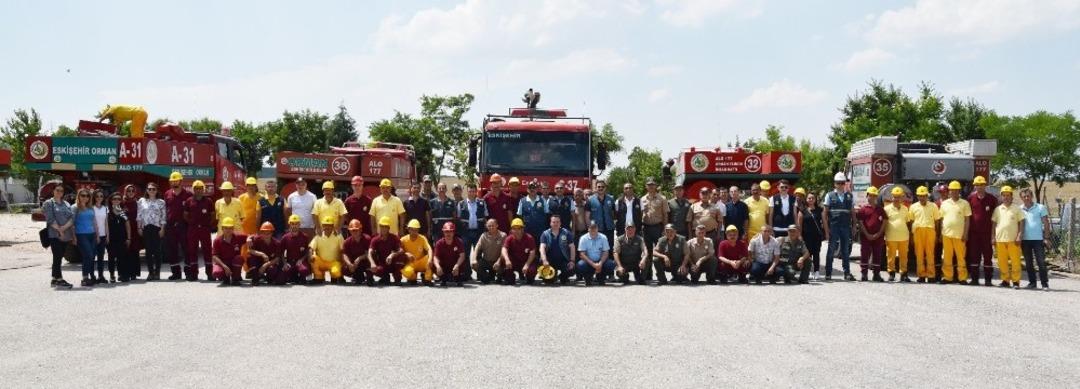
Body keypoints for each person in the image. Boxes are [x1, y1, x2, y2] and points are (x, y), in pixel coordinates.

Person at [823, 172, 856, 281]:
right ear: (835, 184)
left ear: (845, 183)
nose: (840, 185)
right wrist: (827, 231)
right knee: (831, 250)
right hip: (834, 227)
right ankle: (828, 273)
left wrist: (854, 225)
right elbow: (824, 214)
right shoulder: (829, 195)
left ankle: (847, 273)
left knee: (845, 251)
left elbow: (853, 212)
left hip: (846, 227)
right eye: (838, 183)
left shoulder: (850, 196)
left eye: (842, 183)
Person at [966, 176, 998, 285]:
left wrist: (994, 234)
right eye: (977, 185)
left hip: (987, 233)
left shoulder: (992, 199)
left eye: (982, 185)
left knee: (988, 256)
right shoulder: (970, 199)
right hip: (973, 233)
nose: (979, 187)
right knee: (974, 256)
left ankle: (988, 280)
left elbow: (996, 216)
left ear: (985, 186)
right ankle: (974, 279)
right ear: (974, 186)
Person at [991, 186, 1025, 289]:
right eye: (1004, 195)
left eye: (1008, 195)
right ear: (1001, 197)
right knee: (1002, 262)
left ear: (1012, 197)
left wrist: (1019, 235)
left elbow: (1022, 222)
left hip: (1013, 240)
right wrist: (993, 237)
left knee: (1015, 262)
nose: (1006, 197)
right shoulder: (997, 209)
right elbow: (993, 224)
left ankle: (1016, 281)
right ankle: (1005, 280)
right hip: (1000, 240)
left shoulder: (1017, 208)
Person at [939, 181, 972, 284]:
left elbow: (967, 219)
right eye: (952, 190)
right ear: (949, 191)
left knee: (961, 257)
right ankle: (948, 277)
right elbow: (941, 219)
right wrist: (940, 233)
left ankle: (962, 278)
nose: (954, 192)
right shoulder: (944, 203)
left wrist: (965, 234)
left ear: (959, 191)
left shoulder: (965, 203)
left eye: (956, 190)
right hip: (946, 234)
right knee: (947, 257)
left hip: (960, 235)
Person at [1019, 189, 1051, 290]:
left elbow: (1046, 223)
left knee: (1041, 262)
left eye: (1028, 196)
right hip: (1025, 240)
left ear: (1031, 196)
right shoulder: (1019, 209)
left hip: (1038, 240)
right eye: (1024, 197)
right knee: (1028, 263)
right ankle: (1032, 283)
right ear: (1021, 198)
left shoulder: (1040, 207)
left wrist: (1046, 238)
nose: (1026, 198)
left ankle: (1044, 284)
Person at [183, 180, 215, 281]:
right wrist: (191, 223)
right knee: (192, 251)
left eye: (200, 188)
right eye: (196, 188)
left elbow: (213, 215)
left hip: (205, 229)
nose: (198, 190)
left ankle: (209, 273)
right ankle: (194, 274)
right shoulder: (189, 201)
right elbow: (185, 215)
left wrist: (208, 225)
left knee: (207, 251)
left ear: (203, 189)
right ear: (193, 190)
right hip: (193, 229)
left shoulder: (208, 201)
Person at [44, 185, 74, 288]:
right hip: (54, 235)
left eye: (61, 191)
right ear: (53, 191)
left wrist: (63, 229)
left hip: (65, 234)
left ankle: (54, 279)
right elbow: (50, 219)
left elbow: (71, 218)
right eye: (57, 190)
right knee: (57, 256)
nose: (59, 192)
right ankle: (59, 279)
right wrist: (59, 231)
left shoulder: (66, 203)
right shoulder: (49, 203)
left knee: (59, 257)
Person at [909, 186, 942, 283]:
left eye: (924, 196)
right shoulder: (913, 206)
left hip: (930, 231)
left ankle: (931, 275)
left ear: (927, 196)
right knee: (919, 254)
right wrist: (911, 235)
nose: (922, 198)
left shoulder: (933, 206)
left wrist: (937, 234)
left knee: (930, 254)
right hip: (918, 231)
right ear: (917, 196)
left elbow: (937, 221)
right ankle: (921, 275)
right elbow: (911, 221)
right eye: (920, 196)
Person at [163, 172, 191, 280]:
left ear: (181, 181)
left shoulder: (188, 194)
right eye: (172, 181)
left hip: (184, 226)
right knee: (172, 250)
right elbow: (165, 210)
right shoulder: (167, 194)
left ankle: (188, 272)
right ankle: (176, 273)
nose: (174, 182)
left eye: (176, 180)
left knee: (186, 250)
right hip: (171, 227)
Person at [856, 186, 886, 282]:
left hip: (878, 237)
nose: (872, 197)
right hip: (865, 236)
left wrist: (879, 233)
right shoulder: (863, 209)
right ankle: (864, 274)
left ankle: (876, 274)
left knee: (877, 255)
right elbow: (860, 223)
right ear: (867, 196)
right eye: (870, 195)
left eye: (874, 196)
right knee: (865, 254)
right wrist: (867, 234)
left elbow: (885, 222)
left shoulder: (880, 209)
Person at [137, 183, 166, 281]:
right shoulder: (142, 201)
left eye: (154, 189)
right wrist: (139, 228)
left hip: (157, 228)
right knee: (148, 252)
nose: (151, 191)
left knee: (157, 251)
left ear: (157, 190)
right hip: (146, 228)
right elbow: (139, 215)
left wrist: (162, 228)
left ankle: (157, 272)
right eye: (149, 189)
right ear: (147, 190)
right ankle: (150, 272)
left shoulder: (161, 202)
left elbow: (163, 216)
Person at [883, 187, 913, 282]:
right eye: (895, 197)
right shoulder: (886, 209)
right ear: (892, 197)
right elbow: (884, 223)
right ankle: (891, 273)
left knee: (904, 256)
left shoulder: (905, 209)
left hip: (904, 237)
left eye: (899, 197)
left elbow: (908, 223)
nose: (896, 199)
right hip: (891, 236)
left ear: (902, 198)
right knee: (891, 256)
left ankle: (903, 274)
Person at [369, 216, 407, 285]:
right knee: (371, 261)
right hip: (382, 264)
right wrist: (372, 263)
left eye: (385, 227)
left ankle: (397, 278)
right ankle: (385, 277)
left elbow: (401, 250)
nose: (383, 228)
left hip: (393, 264)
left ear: (389, 228)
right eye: (381, 226)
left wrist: (392, 255)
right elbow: (369, 252)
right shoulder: (375, 239)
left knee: (401, 256)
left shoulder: (394, 238)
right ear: (379, 227)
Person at [72, 189, 99, 287]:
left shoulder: (90, 207)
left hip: (92, 234)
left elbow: (94, 222)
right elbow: (72, 223)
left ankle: (91, 276)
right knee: (88, 255)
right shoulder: (75, 208)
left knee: (92, 256)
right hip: (81, 234)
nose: (85, 198)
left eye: (87, 196)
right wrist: (73, 237)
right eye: (82, 195)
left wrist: (97, 234)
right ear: (78, 196)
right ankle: (85, 277)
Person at [539, 215, 576, 285]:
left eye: (557, 222)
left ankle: (562, 277)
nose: (555, 224)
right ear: (550, 223)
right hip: (549, 261)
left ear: (560, 223)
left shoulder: (567, 233)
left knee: (572, 269)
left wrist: (572, 261)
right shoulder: (545, 234)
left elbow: (572, 247)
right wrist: (544, 260)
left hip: (563, 260)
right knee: (549, 281)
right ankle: (553, 276)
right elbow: (542, 248)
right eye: (553, 222)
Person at [797, 191, 825, 281]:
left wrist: (827, 233)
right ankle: (808, 271)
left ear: (815, 199)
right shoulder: (802, 210)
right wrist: (800, 235)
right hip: (806, 236)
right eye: (809, 198)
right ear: (806, 199)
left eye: (813, 198)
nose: (811, 200)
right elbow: (799, 225)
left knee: (816, 253)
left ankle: (816, 271)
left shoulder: (820, 210)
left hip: (817, 235)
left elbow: (824, 222)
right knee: (807, 254)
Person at [500, 218, 537, 285]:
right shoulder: (509, 238)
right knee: (503, 259)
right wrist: (507, 259)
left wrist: (527, 265)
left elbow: (532, 252)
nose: (516, 230)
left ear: (522, 229)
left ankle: (529, 277)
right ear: (511, 230)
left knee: (531, 272)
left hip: (525, 261)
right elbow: (504, 249)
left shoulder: (529, 238)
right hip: (514, 262)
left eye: (519, 228)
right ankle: (510, 277)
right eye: (514, 228)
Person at [210, 217, 246, 286]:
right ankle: (225, 279)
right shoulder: (217, 241)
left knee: (239, 258)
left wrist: (249, 239)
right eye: (226, 228)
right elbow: (214, 256)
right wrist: (224, 266)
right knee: (216, 273)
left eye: (230, 228)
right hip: (223, 263)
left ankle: (235, 279)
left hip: (234, 262)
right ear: (222, 228)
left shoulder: (238, 237)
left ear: (233, 229)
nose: (228, 230)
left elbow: (252, 236)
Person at [309, 216, 345, 284]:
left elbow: (343, 250)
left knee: (335, 273)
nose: (327, 227)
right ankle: (319, 277)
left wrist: (343, 262)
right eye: (325, 225)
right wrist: (310, 255)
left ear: (333, 226)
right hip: (321, 262)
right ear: (322, 226)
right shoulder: (318, 236)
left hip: (333, 262)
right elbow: (311, 248)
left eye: (329, 225)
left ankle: (335, 276)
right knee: (314, 258)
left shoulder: (338, 236)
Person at [458, 184, 488, 263]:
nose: (471, 193)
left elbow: (485, 218)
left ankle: (479, 274)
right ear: (467, 192)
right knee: (465, 253)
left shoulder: (482, 203)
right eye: (470, 191)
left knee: (478, 253)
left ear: (476, 192)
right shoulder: (461, 204)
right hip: (465, 233)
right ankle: (467, 274)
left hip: (479, 232)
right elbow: (458, 219)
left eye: (473, 191)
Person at [577, 221, 614, 286]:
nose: (593, 229)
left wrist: (600, 263)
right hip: (589, 262)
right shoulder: (583, 238)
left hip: (600, 262)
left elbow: (606, 252)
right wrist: (593, 264)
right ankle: (588, 277)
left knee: (611, 264)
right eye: (591, 228)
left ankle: (601, 277)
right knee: (580, 265)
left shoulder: (603, 237)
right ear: (588, 229)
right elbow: (582, 254)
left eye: (595, 227)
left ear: (597, 228)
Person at [246, 222, 282, 286]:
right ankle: (255, 278)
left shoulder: (277, 243)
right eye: (264, 233)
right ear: (261, 233)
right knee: (250, 258)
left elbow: (277, 258)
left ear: (272, 233)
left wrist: (265, 265)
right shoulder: (256, 239)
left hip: (269, 262)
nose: (266, 235)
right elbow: (250, 250)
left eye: (268, 233)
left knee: (272, 270)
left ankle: (269, 278)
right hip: (258, 261)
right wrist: (262, 254)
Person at [471, 219, 507, 284]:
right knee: (474, 265)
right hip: (486, 260)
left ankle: (499, 276)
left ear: (497, 225)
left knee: (504, 268)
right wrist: (474, 259)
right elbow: (477, 248)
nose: (491, 227)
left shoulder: (503, 235)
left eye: (493, 225)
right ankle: (487, 277)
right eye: (489, 226)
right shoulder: (483, 235)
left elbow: (503, 251)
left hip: (498, 260)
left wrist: (498, 261)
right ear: (486, 227)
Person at [433, 222, 468, 287]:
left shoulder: (458, 241)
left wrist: (457, 265)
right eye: (446, 231)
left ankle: (458, 279)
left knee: (463, 262)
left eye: (450, 231)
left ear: (453, 232)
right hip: (444, 266)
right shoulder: (439, 243)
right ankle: (443, 279)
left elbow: (462, 255)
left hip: (455, 266)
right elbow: (435, 257)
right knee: (434, 264)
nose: (448, 233)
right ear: (443, 232)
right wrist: (438, 266)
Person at [106, 193, 131, 283]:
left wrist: (128, 238)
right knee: (111, 258)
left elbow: (127, 224)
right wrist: (107, 237)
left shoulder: (123, 211)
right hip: (111, 238)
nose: (116, 201)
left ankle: (121, 274)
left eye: (118, 199)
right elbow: (105, 225)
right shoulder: (107, 211)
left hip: (122, 238)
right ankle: (112, 275)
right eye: (114, 199)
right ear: (110, 200)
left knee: (122, 257)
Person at [280, 215, 313, 284]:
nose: (294, 226)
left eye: (296, 224)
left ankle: (300, 277)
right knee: (281, 279)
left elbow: (308, 251)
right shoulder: (285, 237)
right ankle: (294, 277)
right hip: (290, 262)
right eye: (292, 224)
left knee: (304, 270)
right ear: (289, 224)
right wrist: (285, 263)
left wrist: (302, 259)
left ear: (299, 224)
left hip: (301, 262)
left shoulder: (305, 236)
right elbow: (281, 252)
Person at [341, 219, 374, 286]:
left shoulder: (367, 239)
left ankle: (370, 276)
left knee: (372, 261)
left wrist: (360, 258)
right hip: (355, 264)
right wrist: (349, 264)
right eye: (352, 230)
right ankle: (358, 276)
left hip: (366, 262)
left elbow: (370, 253)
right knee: (343, 269)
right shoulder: (347, 242)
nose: (354, 232)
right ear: (349, 231)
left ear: (361, 230)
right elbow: (344, 254)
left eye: (356, 230)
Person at [401, 219, 434, 285]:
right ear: (408, 229)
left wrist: (430, 259)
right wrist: (405, 254)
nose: (414, 232)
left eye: (416, 230)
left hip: (421, 262)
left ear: (418, 230)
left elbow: (429, 249)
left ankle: (427, 279)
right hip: (411, 263)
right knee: (407, 272)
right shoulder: (403, 239)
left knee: (429, 258)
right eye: (412, 229)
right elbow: (397, 250)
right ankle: (413, 278)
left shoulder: (422, 238)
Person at [517, 182, 548, 248]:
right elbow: (519, 216)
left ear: (537, 189)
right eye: (530, 188)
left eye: (534, 188)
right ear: (527, 190)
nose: (532, 189)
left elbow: (547, 214)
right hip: (527, 231)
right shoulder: (522, 201)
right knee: (528, 249)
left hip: (540, 231)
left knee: (540, 249)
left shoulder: (542, 200)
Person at [121, 184, 142, 279]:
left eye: (132, 191)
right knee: (125, 251)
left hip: (135, 229)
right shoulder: (121, 203)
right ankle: (125, 273)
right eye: (128, 191)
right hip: (124, 230)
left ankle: (134, 273)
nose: (130, 193)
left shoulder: (138, 203)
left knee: (134, 251)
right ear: (125, 192)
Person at [587, 180, 617, 244]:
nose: (601, 188)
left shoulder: (611, 199)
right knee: (598, 250)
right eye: (599, 187)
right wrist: (590, 229)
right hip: (596, 230)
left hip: (609, 229)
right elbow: (587, 217)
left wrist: (613, 224)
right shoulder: (590, 200)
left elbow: (614, 214)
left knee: (610, 248)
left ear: (605, 188)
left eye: (602, 187)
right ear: (596, 188)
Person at [91, 190, 110, 283]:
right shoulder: (91, 208)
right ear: (94, 197)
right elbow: (94, 223)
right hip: (94, 235)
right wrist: (97, 235)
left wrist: (107, 235)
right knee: (92, 256)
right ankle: (92, 276)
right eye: (97, 196)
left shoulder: (105, 208)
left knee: (101, 257)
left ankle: (101, 276)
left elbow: (106, 222)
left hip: (103, 235)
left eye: (101, 196)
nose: (99, 198)